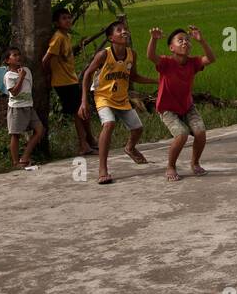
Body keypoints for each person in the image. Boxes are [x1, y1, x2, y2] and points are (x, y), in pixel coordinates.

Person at [78, 21, 155, 184]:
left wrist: (157, 81)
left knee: (138, 128)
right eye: (119, 30)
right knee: (109, 124)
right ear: (111, 38)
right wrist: (84, 101)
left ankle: (130, 148)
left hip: (121, 97)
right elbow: (87, 75)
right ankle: (102, 169)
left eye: (125, 29)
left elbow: (134, 76)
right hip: (103, 96)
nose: (124, 32)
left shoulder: (131, 54)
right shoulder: (103, 55)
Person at [146, 25, 216, 181]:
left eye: (187, 40)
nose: (185, 42)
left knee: (200, 132)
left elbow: (211, 59)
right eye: (180, 40)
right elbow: (151, 56)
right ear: (172, 47)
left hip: (187, 106)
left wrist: (201, 40)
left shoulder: (193, 63)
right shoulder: (166, 62)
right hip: (167, 109)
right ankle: (171, 166)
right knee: (182, 134)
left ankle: (195, 163)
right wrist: (154, 39)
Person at [44, 7, 97, 155]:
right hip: (63, 82)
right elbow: (46, 60)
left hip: (70, 79)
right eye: (64, 18)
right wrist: (48, 76)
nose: (68, 21)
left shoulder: (66, 36)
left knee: (82, 110)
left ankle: (90, 140)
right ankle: (83, 144)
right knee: (78, 112)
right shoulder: (58, 38)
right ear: (56, 22)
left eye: (69, 17)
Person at [3, 47, 44, 168]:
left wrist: (22, 74)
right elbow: (14, 92)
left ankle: (25, 157)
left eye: (19, 55)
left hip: (29, 106)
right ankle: (15, 162)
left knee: (39, 130)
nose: (18, 57)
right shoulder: (9, 76)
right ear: (7, 60)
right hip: (17, 108)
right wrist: (20, 77)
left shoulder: (26, 70)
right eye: (14, 55)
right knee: (15, 134)